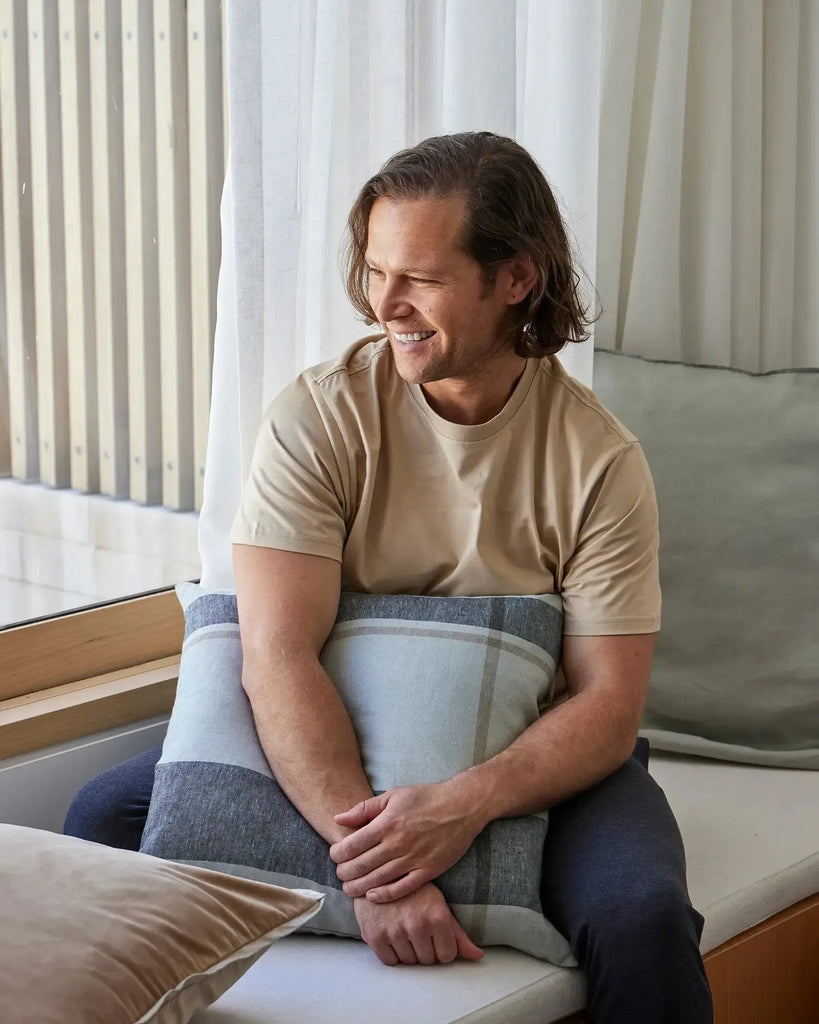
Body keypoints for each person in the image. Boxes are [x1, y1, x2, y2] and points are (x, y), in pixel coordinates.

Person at [66, 132, 713, 1023]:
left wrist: (460, 806)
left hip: (522, 751)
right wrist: (377, 871)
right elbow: (277, 656)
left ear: (515, 278)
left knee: (644, 918)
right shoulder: (318, 417)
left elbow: (606, 705)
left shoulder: (598, 461)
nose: (384, 304)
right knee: (103, 819)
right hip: (333, 727)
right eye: (375, 271)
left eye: (421, 278)